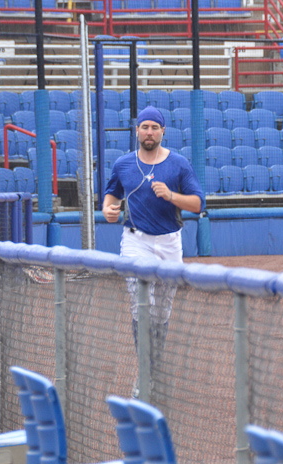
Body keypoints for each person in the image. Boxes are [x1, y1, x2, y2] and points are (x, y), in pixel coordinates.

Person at [102, 105, 204, 391]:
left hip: (170, 242)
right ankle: (144, 375)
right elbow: (111, 195)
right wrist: (108, 209)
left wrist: (171, 195)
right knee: (140, 305)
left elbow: (198, 203)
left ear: (163, 132)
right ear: (137, 131)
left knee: (161, 312)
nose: (149, 132)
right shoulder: (123, 163)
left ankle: (155, 367)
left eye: (154, 127)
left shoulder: (179, 164)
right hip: (136, 240)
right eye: (144, 126)